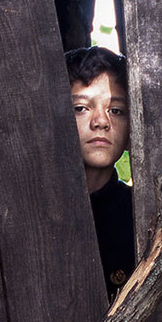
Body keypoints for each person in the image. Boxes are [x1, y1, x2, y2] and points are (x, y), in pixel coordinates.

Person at [66, 46, 136, 299]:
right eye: (81, 108)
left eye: (115, 110)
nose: (101, 121)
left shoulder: (137, 215)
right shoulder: (21, 208)